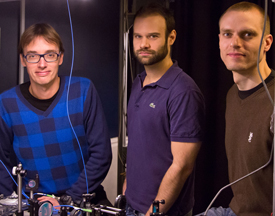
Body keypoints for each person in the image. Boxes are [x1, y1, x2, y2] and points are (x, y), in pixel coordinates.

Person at [0, 23, 112, 208]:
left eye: (50, 55)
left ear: (60, 58)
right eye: (33, 56)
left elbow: (102, 154)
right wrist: (15, 202)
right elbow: (1, 162)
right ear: (23, 60)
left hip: (83, 198)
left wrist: (68, 199)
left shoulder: (83, 90)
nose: (42, 64)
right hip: (36, 204)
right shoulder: (6, 103)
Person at [123, 3, 205, 216]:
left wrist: (154, 212)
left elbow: (182, 167)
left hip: (163, 212)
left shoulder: (183, 91)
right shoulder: (138, 82)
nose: (144, 44)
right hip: (131, 206)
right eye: (138, 37)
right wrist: (127, 188)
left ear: (171, 37)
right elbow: (140, 144)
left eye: (153, 36)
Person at [197, 2, 274, 216]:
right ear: (219, 40)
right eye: (227, 34)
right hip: (234, 210)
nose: (235, 43)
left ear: (267, 43)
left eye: (247, 34)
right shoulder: (233, 94)